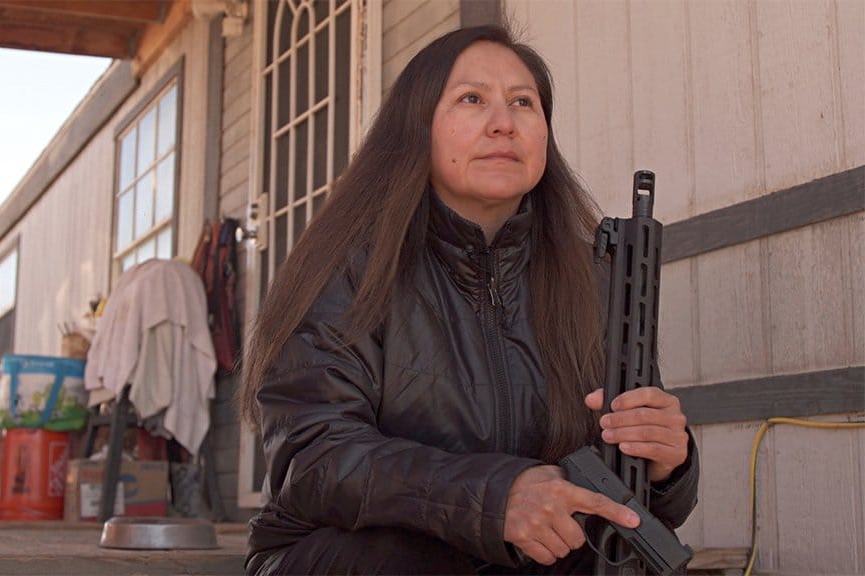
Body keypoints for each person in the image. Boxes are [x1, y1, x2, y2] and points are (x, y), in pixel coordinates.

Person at [238, 24, 699, 575]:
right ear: (417, 128)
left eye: (523, 103)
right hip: (354, 556)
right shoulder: (347, 267)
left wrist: (667, 464)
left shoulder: (592, 279)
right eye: (472, 99)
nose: (503, 123)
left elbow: (643, 513)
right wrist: (494, 499)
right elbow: (314, 459)